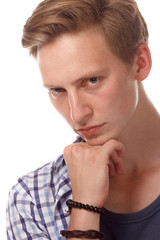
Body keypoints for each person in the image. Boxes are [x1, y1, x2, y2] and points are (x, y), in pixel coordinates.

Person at [6, 0, 160, 239]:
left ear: (140, 63)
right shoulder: (31, 201)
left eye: (91, 81)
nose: (77, 114)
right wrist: (84, 206)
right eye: (58, 90)